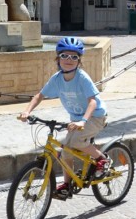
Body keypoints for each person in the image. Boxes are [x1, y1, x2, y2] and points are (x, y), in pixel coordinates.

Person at [19, 36, 109, 199]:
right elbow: (39, 96)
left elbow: (92, 102)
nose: (69, 59)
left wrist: (83, 120)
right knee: (65, 151)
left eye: (74, 57)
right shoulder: (57, 79)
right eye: (64, 56)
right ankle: (67, 185)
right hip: (76, 121)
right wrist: (27, 111)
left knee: (75, 142)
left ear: (79, 60)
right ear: (58, 58)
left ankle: (101, 159)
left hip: (95, 117)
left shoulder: (82, 78)